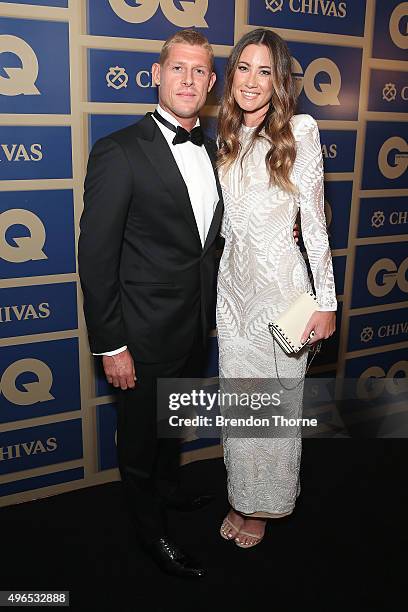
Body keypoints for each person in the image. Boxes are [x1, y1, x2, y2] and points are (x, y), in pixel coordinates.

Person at [78, 30, 223, 579]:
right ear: (157, 75)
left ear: (211, 84)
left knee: (171, 427)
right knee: (139, 443)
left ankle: (168, 492)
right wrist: (112, 345)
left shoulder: (213, 150)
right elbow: (96, 259)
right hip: (138, 338)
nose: (188, 79)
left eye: (199, 72)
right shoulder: (118, 150)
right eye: (177, 68)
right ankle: (149, 535)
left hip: (193, 328)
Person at [216, 29, 337, 548]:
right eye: (244, 67)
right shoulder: (220, 133)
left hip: (285, 299)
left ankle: (266, 507)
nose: (252, 80)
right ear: (232, 73)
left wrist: (327, 303)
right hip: (232, 297)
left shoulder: (300, 132)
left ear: (280, 80)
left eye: (265, 71)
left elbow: (313, 225)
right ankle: (241, 497)